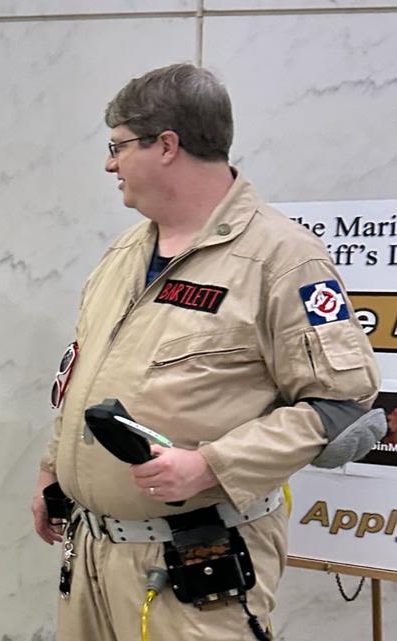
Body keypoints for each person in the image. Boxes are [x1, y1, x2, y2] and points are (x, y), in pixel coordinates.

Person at [30, 63, 379, 641]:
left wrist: (210, 464)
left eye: (117, 146)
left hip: (194, 568)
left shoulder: (282, 259)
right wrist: (54, 470)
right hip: (93, 556)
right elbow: (86, 375)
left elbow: (343, 405)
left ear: (166, 145)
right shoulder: (124, 253)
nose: (109, 163)